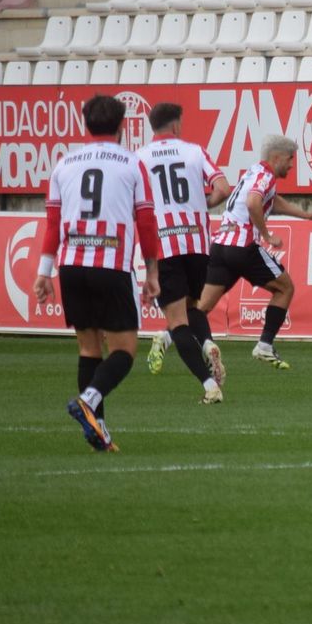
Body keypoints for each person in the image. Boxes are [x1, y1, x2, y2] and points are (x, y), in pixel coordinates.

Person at [32, 94, 161, 453]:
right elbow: (147, 222)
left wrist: (44, 272)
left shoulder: (65, 164)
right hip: (110, 263)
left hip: (71, 265)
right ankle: (88, 401)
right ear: (122, 126)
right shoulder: (132, 163)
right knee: (125, 350)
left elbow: (53, 223)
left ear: (85, 124)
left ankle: (99, 434)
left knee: (89, 348)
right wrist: (152, 271)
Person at [196, 135, 312, 371]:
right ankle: (265, 345)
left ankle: (166, 336)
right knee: (285, 288)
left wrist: (306, 215)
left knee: (202, 307)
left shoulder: (254, 172)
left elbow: (272, 202)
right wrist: (266, 235)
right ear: (277, 158)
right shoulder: (265, 176)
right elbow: (253, 203)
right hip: (242, 246)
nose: (291, 165)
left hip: (220, 246)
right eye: (290, 159)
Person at [137, 103, 233, 402]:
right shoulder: (194, 151)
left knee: (177, 322)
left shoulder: (138, 158)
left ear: (154, 127)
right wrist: (198, 207)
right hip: (196, 243)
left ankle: (208, 386)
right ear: (177, 126)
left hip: (164, 246)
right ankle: (207, 344)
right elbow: (223, 188)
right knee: (194, 307)